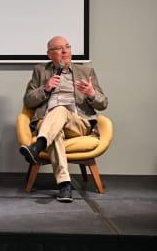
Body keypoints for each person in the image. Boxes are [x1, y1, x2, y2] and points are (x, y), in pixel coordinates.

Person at [20, 36, 108, 202]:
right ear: (49, 55)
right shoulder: (40, 71)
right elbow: (28, 101)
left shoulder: (86, 72)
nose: (65, 51)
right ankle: (65, 185)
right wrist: (45, 89)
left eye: (67, 47)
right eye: (59, 48)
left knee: (60, 109)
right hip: (49, 123)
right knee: (56, 131)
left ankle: (38, 146)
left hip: (78, 123)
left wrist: (91, 94)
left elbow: (103, 103)